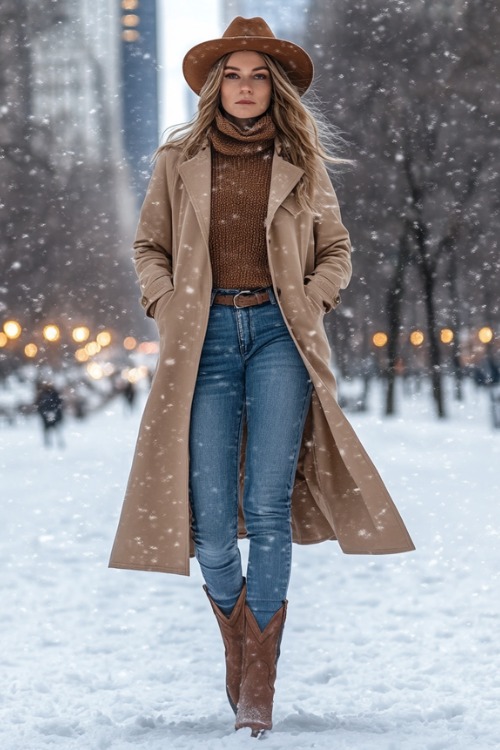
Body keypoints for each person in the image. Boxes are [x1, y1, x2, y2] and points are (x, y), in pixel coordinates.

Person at [109, 17, 415, 737]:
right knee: (213, 524)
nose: (245, 88)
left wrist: (310, 298)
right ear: (218, 86)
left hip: (281, 336)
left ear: (274, 87)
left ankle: (259, 686)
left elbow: (335, 248)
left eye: (258, 76)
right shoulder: (177, 158)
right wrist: (164, 301)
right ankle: (240, 644)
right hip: (205, 338)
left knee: (267, 506)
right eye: (234, 75)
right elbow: (148, 245)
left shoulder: (301, 161)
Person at [35, 381, 64, 448]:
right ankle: (48, 442)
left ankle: (54, 442)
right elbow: (39, 404)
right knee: (51, 430)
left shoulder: (52, 393)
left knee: (55, 429)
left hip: (52, 414)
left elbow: (59, 403)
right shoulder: (43, 394)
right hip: (47, 415)